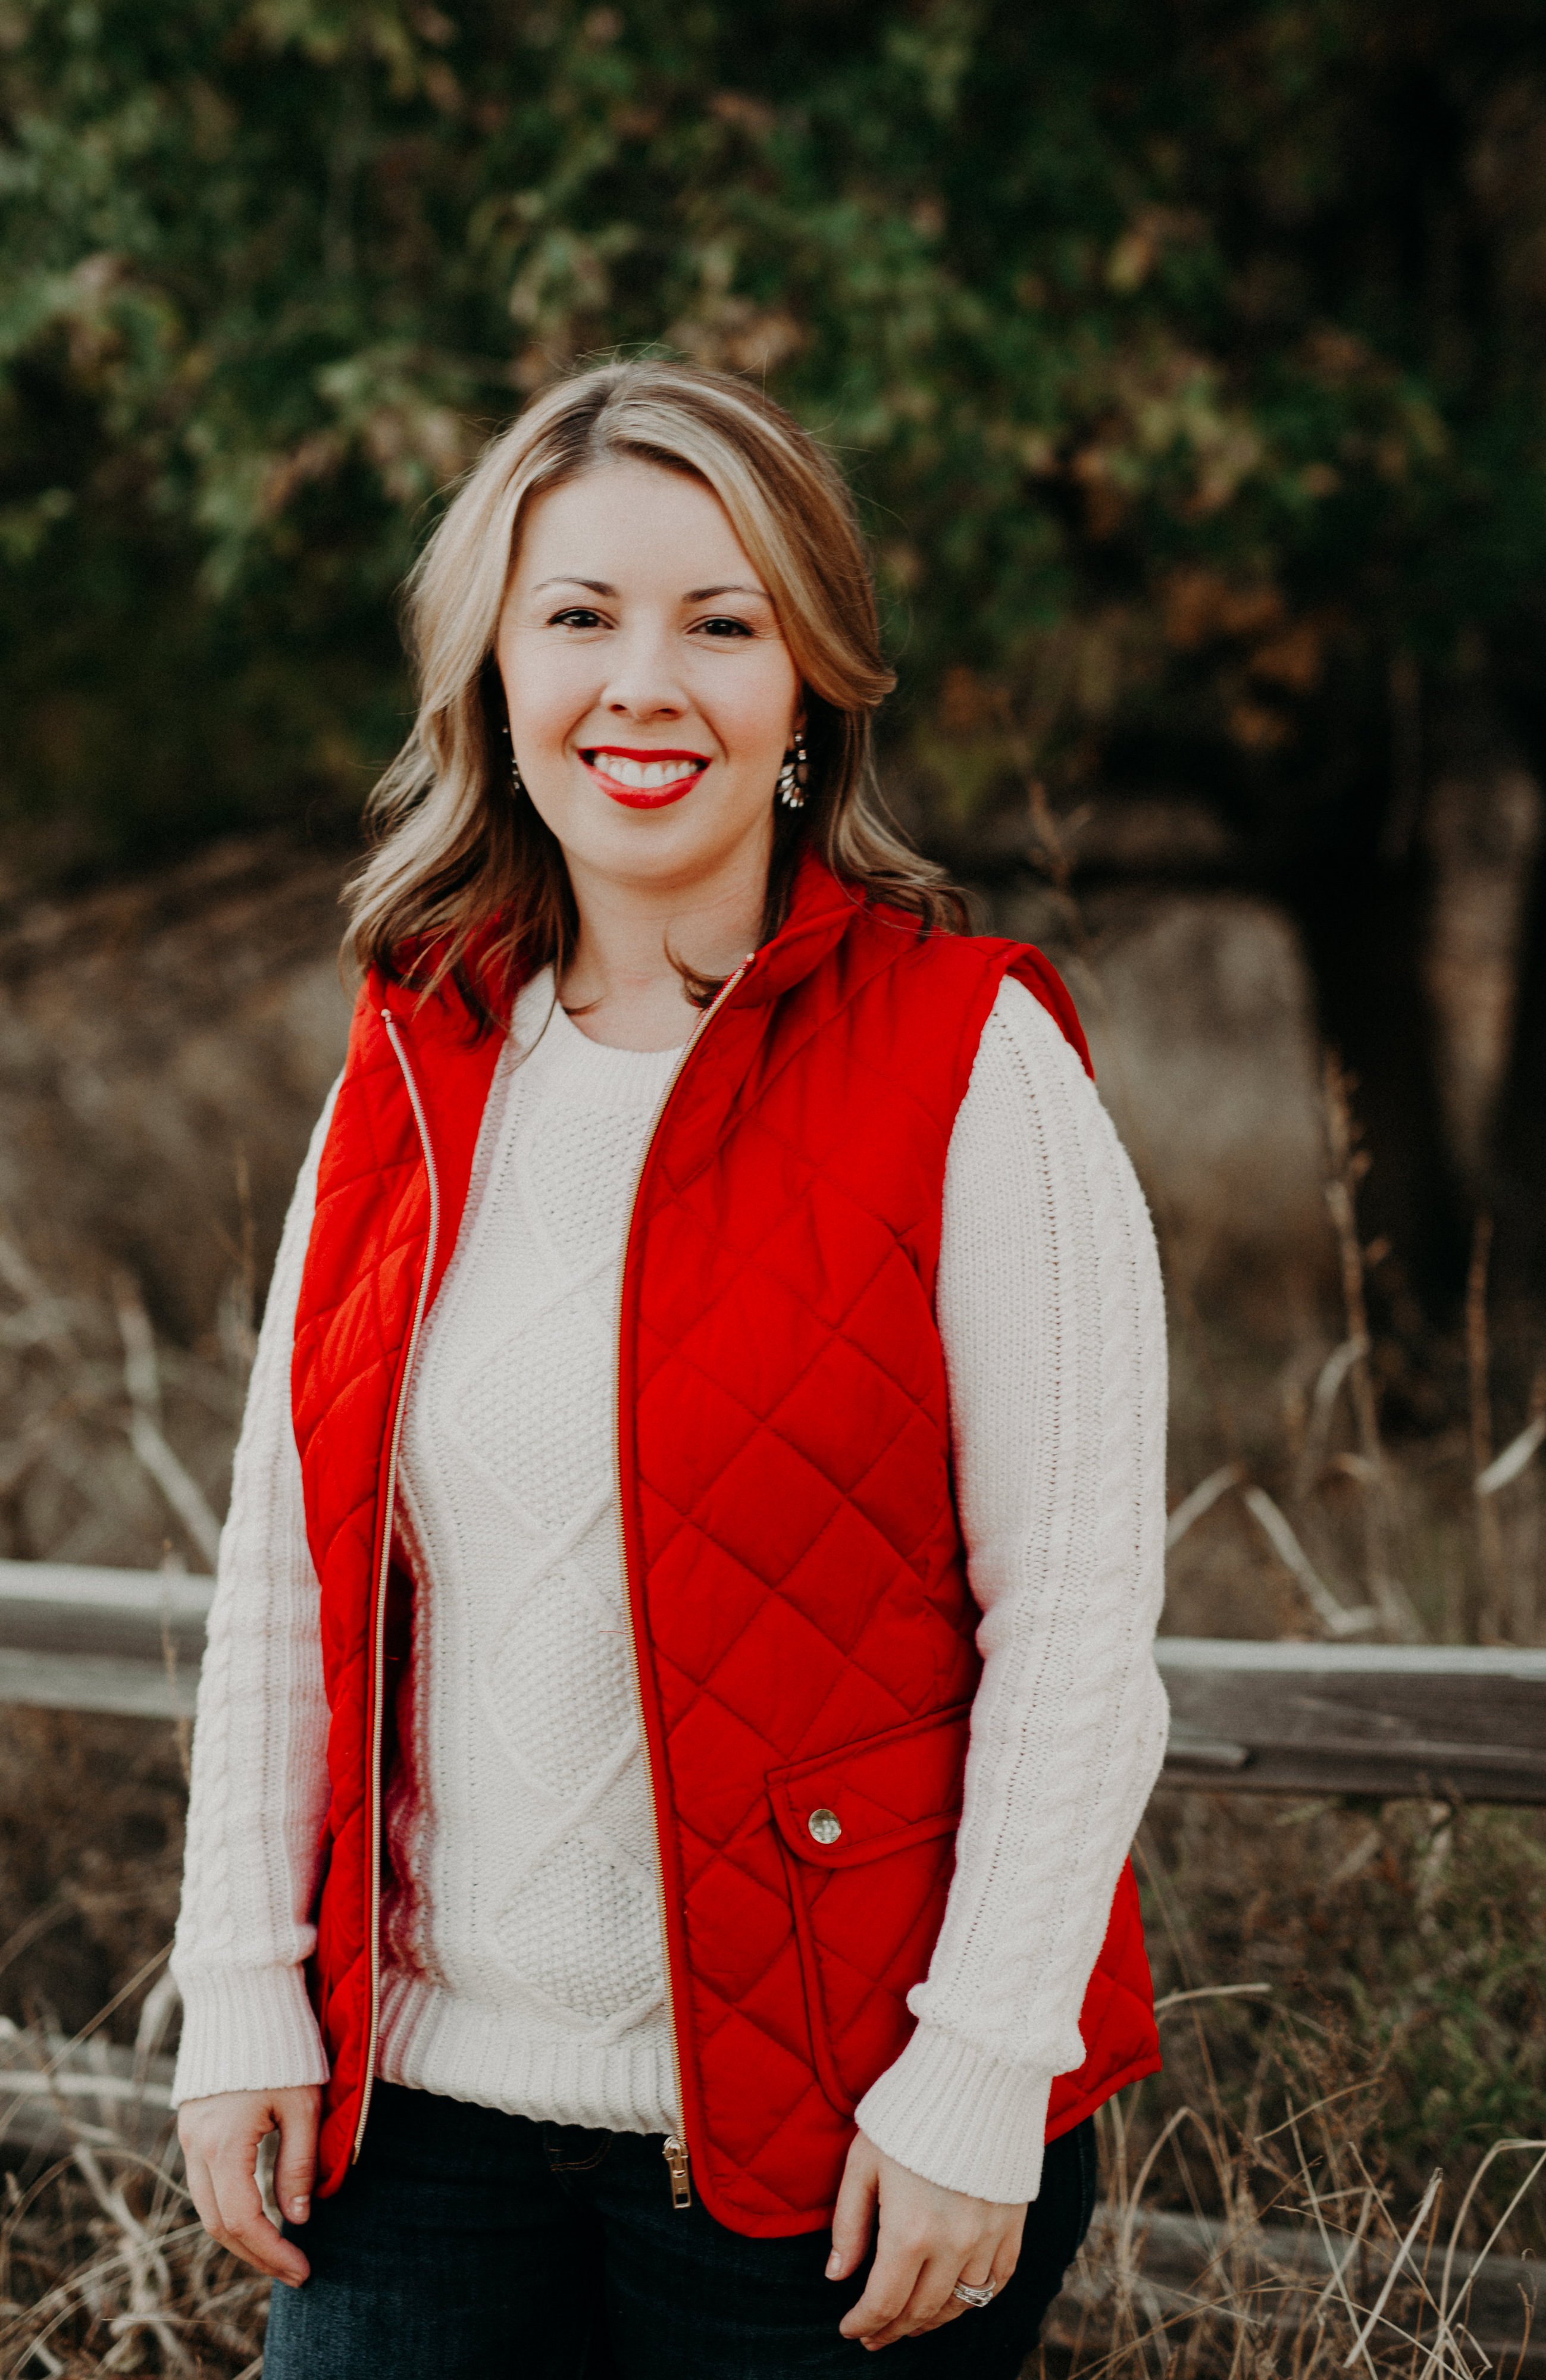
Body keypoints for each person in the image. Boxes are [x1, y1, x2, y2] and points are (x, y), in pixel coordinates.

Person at [171, 359, 1170, 2379]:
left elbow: (1072, 1628)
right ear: (493, 678)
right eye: (580, 617)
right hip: (413, 2132)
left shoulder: (966, 1062)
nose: (648, 684)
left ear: (809, 686)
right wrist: (238, 1990)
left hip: (830, 2143)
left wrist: (978, 2071)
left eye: (721, 623)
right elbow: (284, 1577)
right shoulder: (414, 1066)